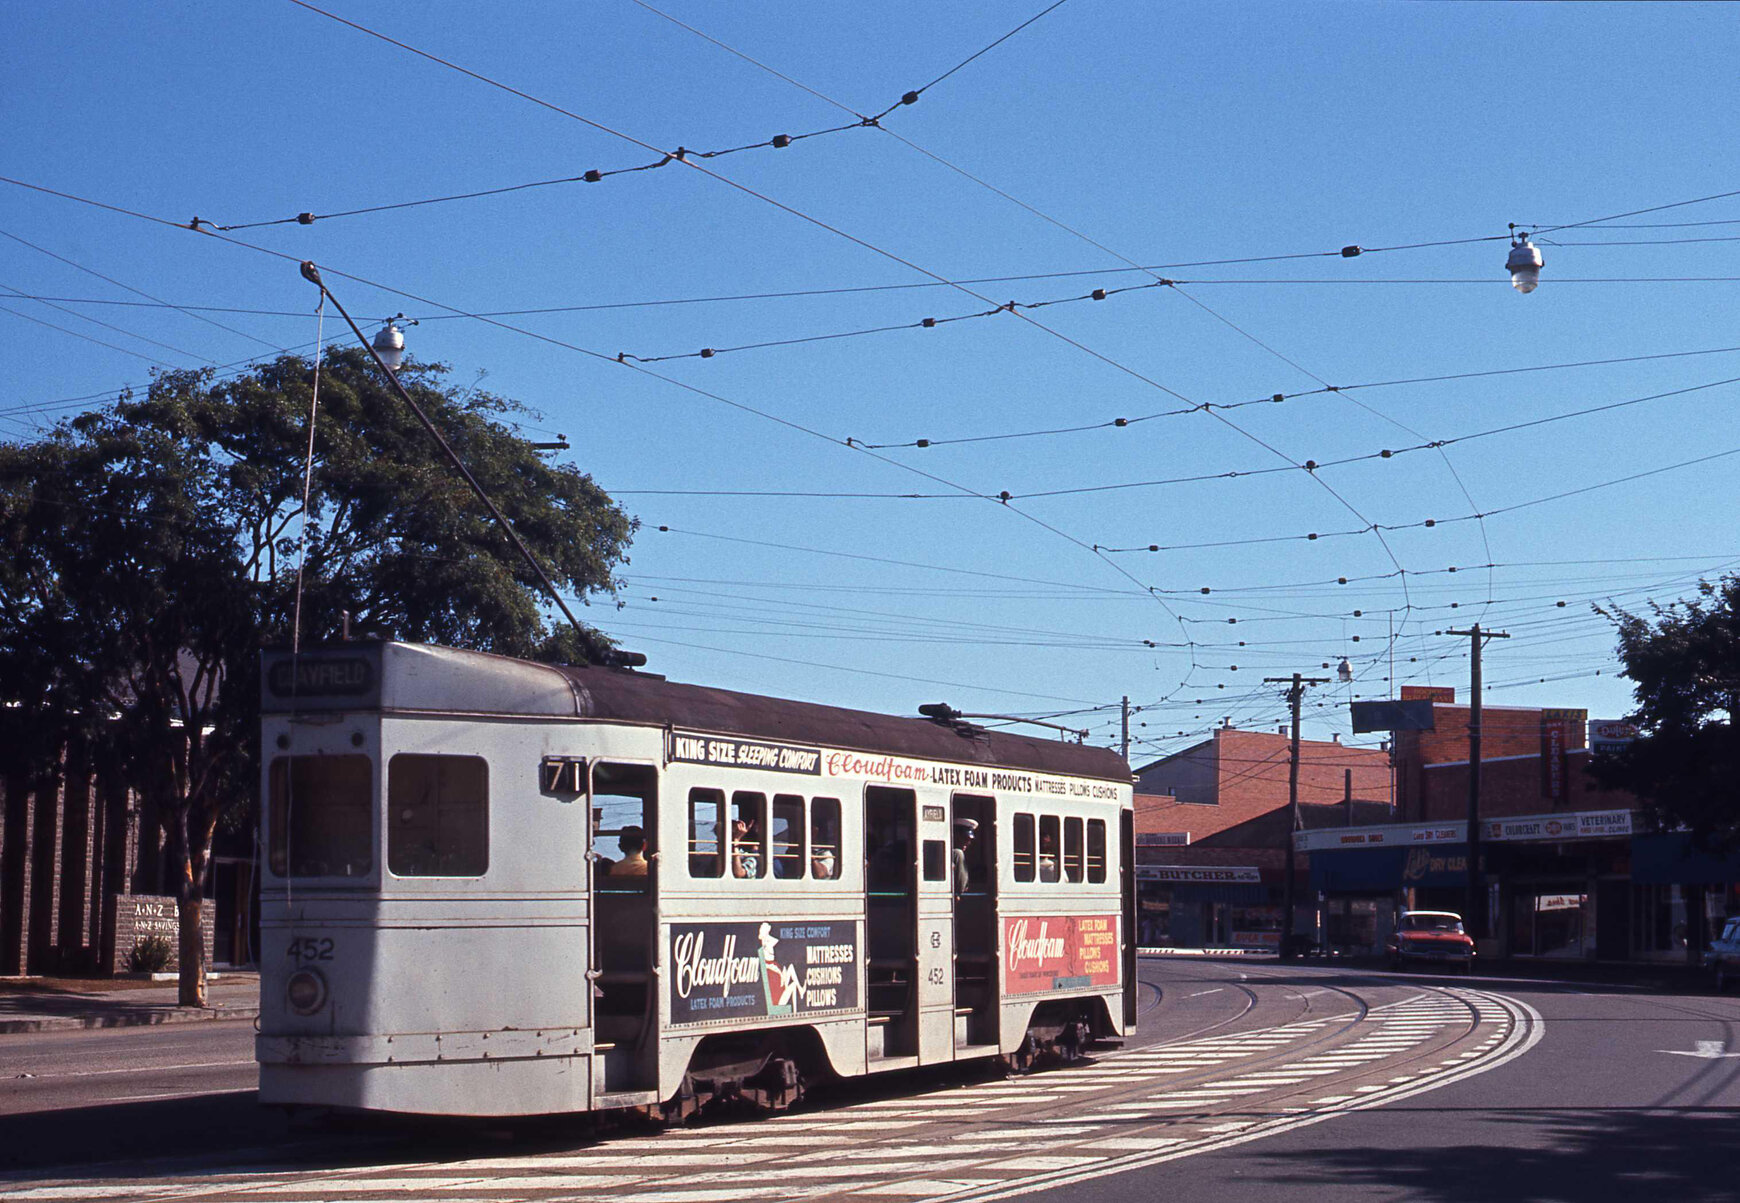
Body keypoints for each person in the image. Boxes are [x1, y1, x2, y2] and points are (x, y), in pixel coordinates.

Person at [951, 817, 977, 896]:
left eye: (969, 840)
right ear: (955, 836)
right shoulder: (957, 853)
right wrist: (959, 893)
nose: (968, 843)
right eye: (965, 838)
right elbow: (960, 888)